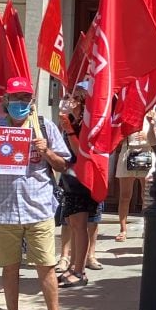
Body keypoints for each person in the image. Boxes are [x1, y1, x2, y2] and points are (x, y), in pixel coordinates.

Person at [0, 76, 76, 310]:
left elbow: (64, 166)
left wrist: (47, 153)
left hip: (38, 208)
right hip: (6, 210)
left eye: (25, 98)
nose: (20, 103)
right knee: (10, 268)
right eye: (15, 98)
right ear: (6, 101)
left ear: (31, 102)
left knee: (46, 267)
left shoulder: (45, 127)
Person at [57, 84, 99, 287]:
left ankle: (80, 270)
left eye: (72, 98)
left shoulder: (86, 123)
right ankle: (73, 266)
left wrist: (69, 131)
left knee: (81, 224)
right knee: (72, 223)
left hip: (82, 177)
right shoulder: (72, 120)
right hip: (69, 176)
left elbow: (81, 150)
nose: (67, 101)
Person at [115, 109, 156, 242]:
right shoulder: (126, 112)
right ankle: (122, 229)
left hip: (146, 152)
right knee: (124, 196)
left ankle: (147, 228)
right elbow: (116, 136)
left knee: (147, 196)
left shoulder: (153, 112)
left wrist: (147, 135)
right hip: (128, 152)